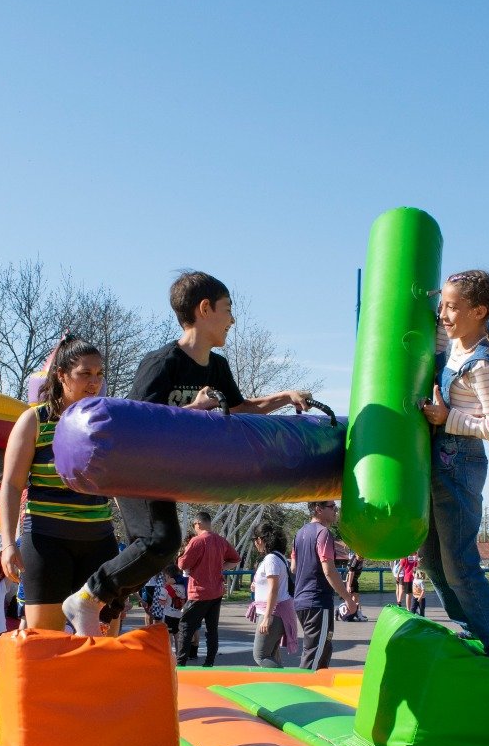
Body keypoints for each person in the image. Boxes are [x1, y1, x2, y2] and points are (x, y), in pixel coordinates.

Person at [61, 271, 310, 636]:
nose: (232, 320)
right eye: (228, 309)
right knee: (162, 541)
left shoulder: (218, 367)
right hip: (134, 469)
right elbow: (136, 424)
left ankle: (102, 610)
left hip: (163, 476)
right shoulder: (163, 362)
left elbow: (242, 408)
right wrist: (194, 409)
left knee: (155, 552)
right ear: (205, 309)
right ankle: (87, 598)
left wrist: (285, 396)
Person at [414, 269, 489, 664]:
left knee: (459, 563)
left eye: (452, 307)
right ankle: (471, 632)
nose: (443, 314)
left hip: (461, 461)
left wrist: (448, 418)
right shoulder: (453, 343)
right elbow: (437, 334)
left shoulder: (481, 365)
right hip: (437, 458)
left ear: (479, 311)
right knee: (431, 559)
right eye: (442, 305)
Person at [0, 337, 117, 632]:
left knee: (103, 642)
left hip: (99, 540)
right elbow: (11, 485)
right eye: (85, 373)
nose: (94, 382)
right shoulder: (34, 421)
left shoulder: (109, 421)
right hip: (46, 540)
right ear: (62, 375)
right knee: (46, 640)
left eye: (99, 374)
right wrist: (9, 544)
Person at [175, 510, 241, 667]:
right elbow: (235, 559)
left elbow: (183, 564)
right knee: (212, 629)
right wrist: (220, 567)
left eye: (194, 525)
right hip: (216, 591)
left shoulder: (197, 541)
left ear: (198, 523)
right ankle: (209, 662)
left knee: (185, 626)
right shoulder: (221, 541)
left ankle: (181, 663)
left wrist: (182, 555)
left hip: (199, 592)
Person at [292, 501, 352, 669]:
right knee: (314, 656)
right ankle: (305, 685)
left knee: (322, 649)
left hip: (302, 600)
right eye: (332, 507)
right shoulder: (323, 533)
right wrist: (348, 599)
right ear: (318, 509)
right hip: (317, 601)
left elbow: (294, 567)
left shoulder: (300, 533)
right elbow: (329, 571)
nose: (336, 510)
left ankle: (317, 683)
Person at [248, 523, 298, 668]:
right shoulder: (278, 557)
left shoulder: (271, 559)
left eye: (255, 540)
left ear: (260, 540)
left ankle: (286, 678)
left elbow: (274, 589)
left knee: (261, 656)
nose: (255, 544)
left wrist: (267, 617)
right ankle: (276, 680)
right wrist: (257, 585)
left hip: (273, 613)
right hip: (277, 611)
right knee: (272, 654)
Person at [339, 551, 369, 622]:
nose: (362, 558)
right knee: (349, 597)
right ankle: (345, 612)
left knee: (356, 597)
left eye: (363, 557)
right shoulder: (354, 560)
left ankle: (357, 613)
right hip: (349, 579)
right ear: (356, 554)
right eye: (360, 556)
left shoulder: (360, 560)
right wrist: (349, 586)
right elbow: (351, 572)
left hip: (354, 580)